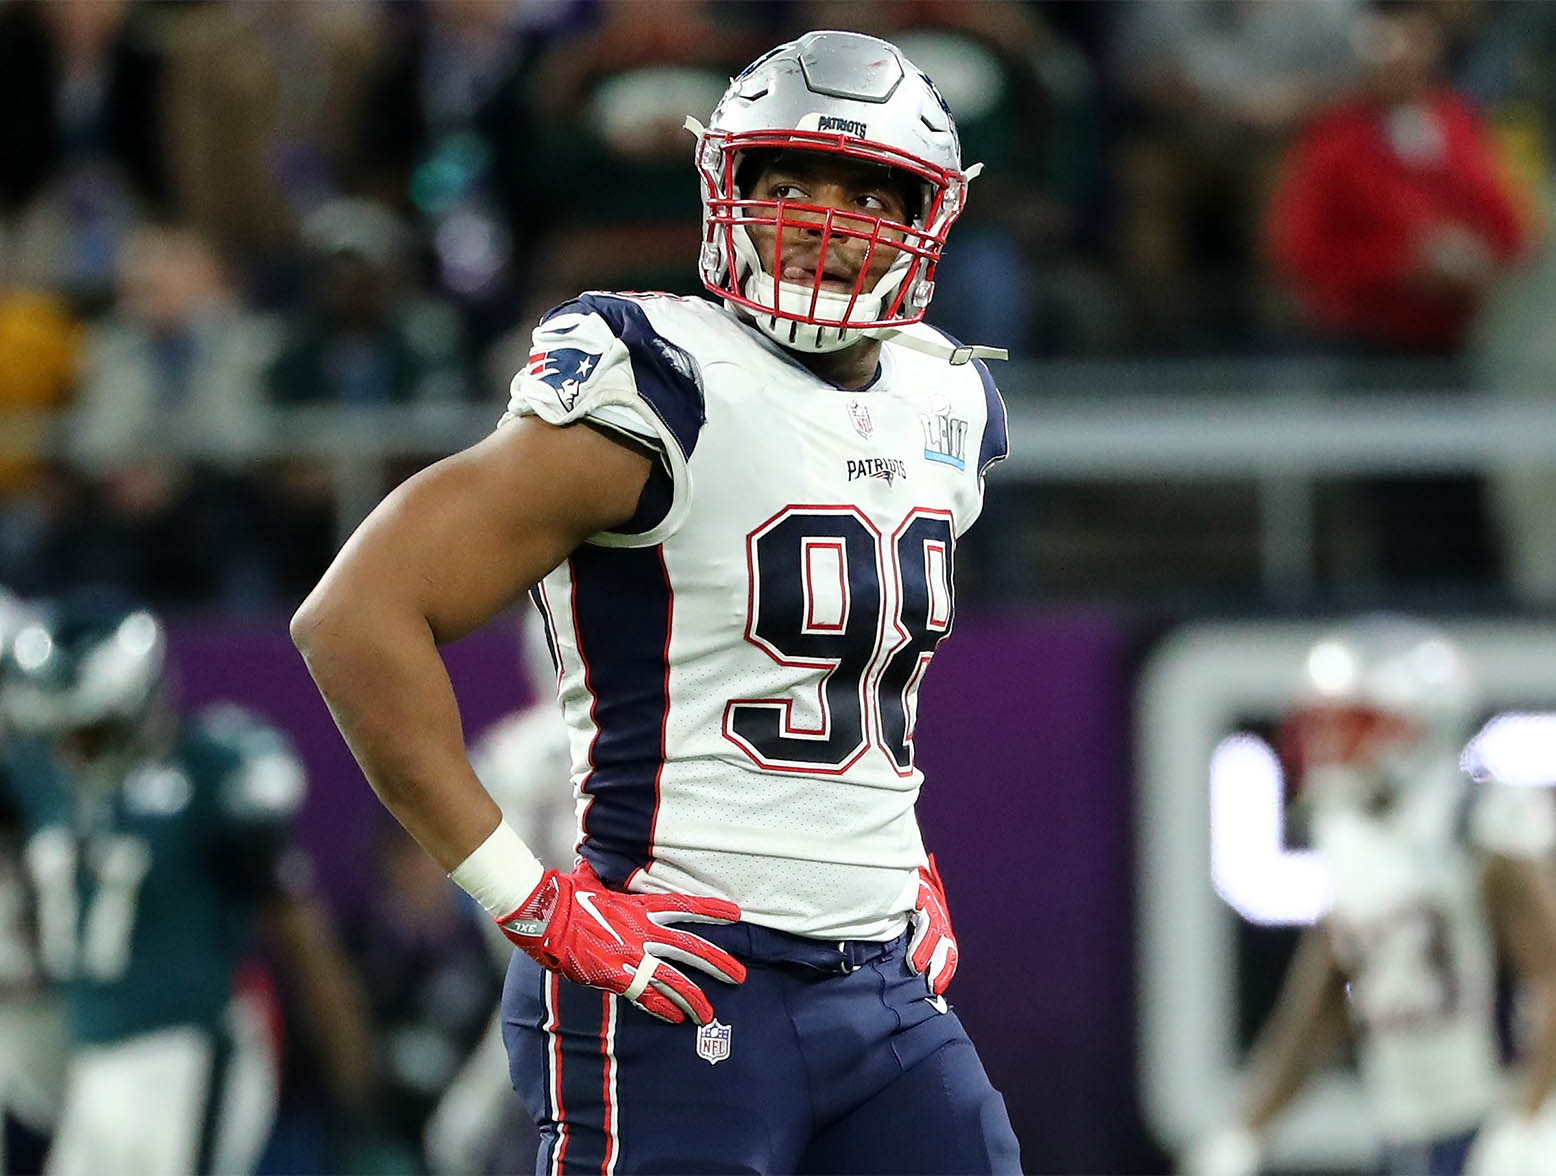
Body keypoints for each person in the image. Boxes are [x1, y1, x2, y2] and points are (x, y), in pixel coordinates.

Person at [293, 28, 1020, 1175]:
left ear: (928, 218)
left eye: (865, 192)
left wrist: (896, 857)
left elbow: (844, 679)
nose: (824, 223)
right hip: (676, 980)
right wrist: (525, 899)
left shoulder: (945, 398)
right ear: (725, 189)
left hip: (879, 979)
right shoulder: (661, 380)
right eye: (789, 183)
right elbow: (352, 617)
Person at [0, 592, 375, 1175]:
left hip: (189, 1049)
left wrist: (354, 1083)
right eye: (58, 733)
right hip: (91, 1062)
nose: (71, 751)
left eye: (89, 731)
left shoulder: (211, 772)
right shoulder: (41, 779)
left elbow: (297, 929)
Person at [1185, 617, 1556, 1176]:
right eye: (1320, 727)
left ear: (1412, 728)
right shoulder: (1347, 834)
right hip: (1405, 1129)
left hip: (1495, 1125)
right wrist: (1245, 1129)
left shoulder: (1479, 820)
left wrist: (1530, 1117)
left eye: (1348, 726)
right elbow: (1322, 1004)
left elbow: (1551, 977)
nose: (1327, 748)